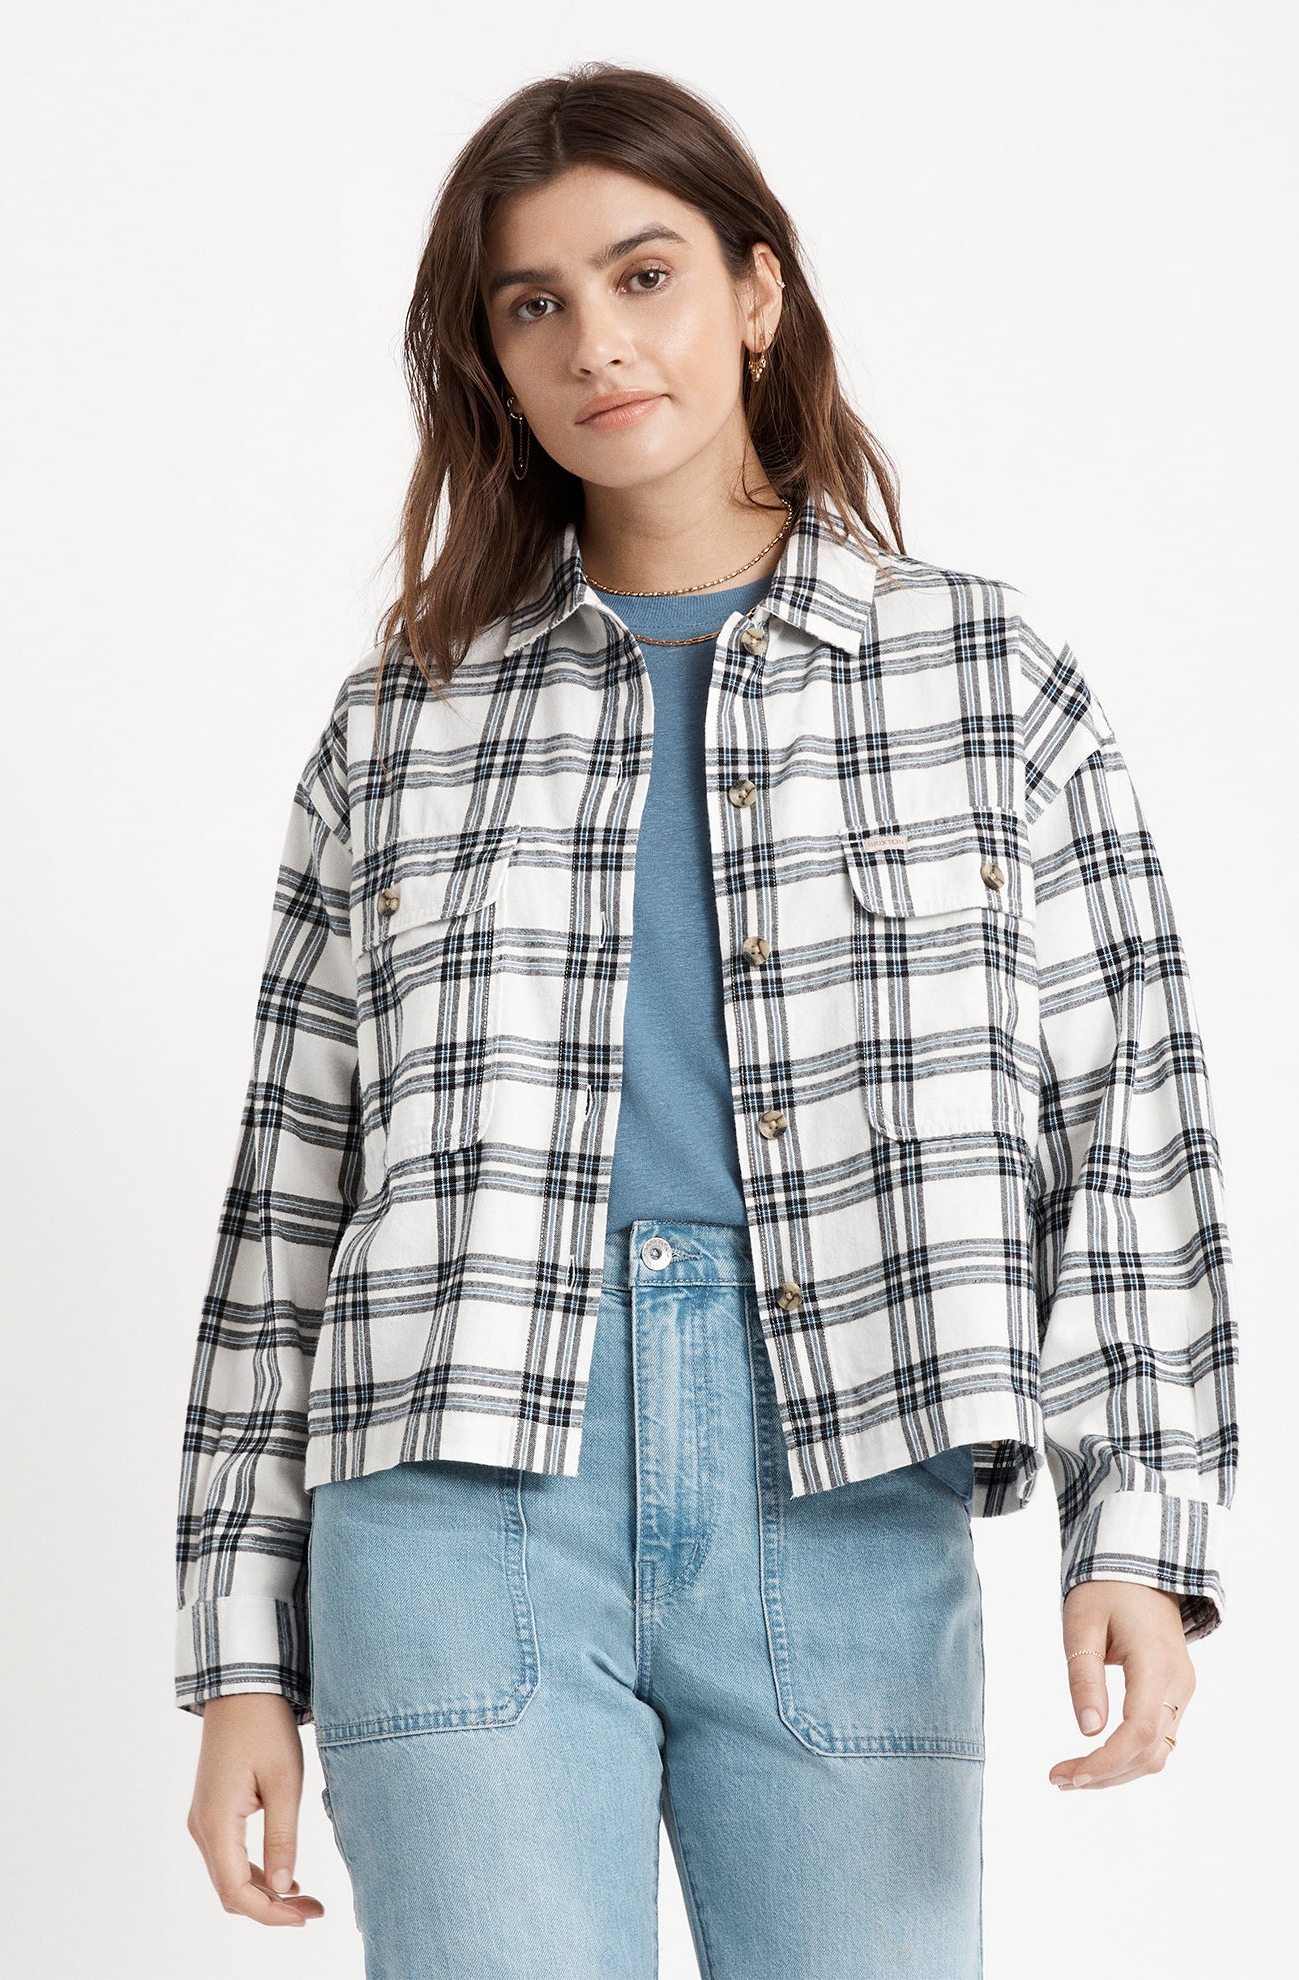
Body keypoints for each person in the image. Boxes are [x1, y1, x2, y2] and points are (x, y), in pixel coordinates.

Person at [174, 61, 1238, 1980]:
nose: (595, 340)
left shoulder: (983, 675)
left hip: (847, 1471)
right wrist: (243, 1657)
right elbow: (291, 1204)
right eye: (533, 303)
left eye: (642, 273)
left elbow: (1127, 1123)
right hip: (457, 1493)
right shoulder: (401, 721)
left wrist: (1138, 1531)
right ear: (491, 361)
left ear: (756, 291)